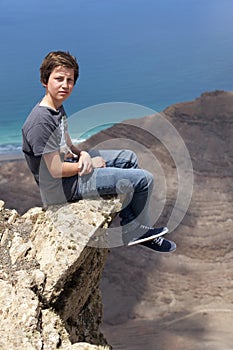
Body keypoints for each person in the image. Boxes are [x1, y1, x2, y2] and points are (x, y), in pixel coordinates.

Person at [22, 51, 176, 253]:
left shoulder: (57, 108)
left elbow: (66, 144)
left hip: (70, 172)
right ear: (45, 80)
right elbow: (55, 170)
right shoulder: (40, 122)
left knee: (128, 158)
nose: (65, 85)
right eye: (59, 79)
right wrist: (87, 165)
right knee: (144, 180)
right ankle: (136, 231)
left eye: (70, 80)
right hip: (62, 188)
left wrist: (82, 153)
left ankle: (131, 221)